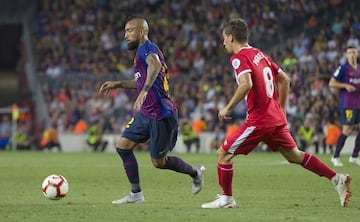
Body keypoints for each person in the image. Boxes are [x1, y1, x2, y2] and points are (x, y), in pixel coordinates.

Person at [201, 18, 351, 209]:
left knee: (223, 153)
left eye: (224, 38)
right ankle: (337, 179)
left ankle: (227, 198)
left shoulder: (238, 57)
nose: (223, 43)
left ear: (231, 38)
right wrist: (281, 109)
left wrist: (228, 107)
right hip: (275, 117)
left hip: (260, 120)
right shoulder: (259, 54)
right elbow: (285, 79)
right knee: (294, 156)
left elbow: (246, 84)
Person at [98, 17, 205, 204]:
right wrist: (119, 84)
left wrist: (144, 92)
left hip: (161, 113)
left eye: (129, 30)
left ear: (141, 32)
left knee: (158, 163)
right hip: (146, 113)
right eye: (125, 31)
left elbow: (154, 66)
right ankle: (136, 194)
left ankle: (195, 173)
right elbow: (140, 80)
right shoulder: (140, 52)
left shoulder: (147, 48)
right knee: (123, 147)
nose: (125, 35)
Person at [329, 45, 360, 167]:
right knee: (347, 130)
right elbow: (331, 83)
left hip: (359, 104)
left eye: (354, 52)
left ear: (357, 54)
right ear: (346, 55)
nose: (352, 54)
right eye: (349, 52)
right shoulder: (343, 68)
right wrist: (345, 86)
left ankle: (354, 156)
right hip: (348, 104)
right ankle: (335, 156)